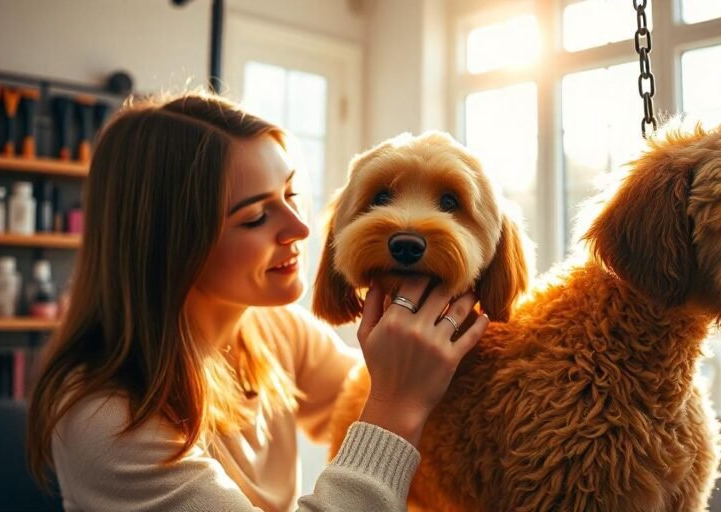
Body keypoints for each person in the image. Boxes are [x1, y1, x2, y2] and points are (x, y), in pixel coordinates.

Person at [26, 92, 489, 511]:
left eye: (290, 195)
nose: (301, 230)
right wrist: (396, 403)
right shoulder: (107, 420)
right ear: (168, 245)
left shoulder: (272, 329)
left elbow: (356, 398)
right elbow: (387, 402)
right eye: (255, 217)